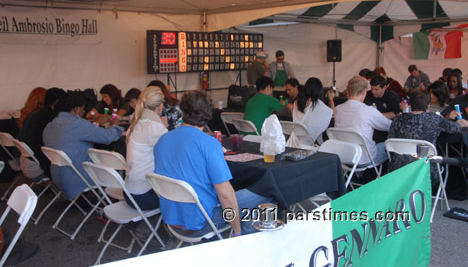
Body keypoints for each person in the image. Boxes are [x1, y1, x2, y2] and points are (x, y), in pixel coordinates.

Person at [154, 90, 272, 237]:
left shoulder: (162, 140)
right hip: (203, 221)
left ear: (182, 112)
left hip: (172, 219)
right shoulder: (209, 144)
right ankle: (244, 239)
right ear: (209, 114)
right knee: (267, 192)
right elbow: (225, 195)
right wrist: (237, 231)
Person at [43, 91, 124, 200]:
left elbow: (75, 137)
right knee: (115, 156)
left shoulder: (50, 125)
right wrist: (115, 125)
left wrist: (96, 124)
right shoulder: (76, 124)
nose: (83, 112)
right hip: (78, 179)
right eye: (83, 109)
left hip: (58, 178)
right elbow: (108, 137)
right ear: (76, 109)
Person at [125, 86, 167, 210]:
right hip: (144, 196)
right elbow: (174, 152)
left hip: (129, 192)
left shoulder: (136, 123)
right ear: (160, 106)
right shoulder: (154, 127)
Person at [334, 76, 391, 166]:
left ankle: (358, 176)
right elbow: (390, 126)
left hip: (343, 157)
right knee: (389, 146)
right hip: (363, 158)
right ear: (364, 91)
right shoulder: (367, 110)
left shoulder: (338, 109)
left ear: (348, 91)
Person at [19, 87, 65, 178]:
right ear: (57, 101)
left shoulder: (37, 114)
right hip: (36, 166)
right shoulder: (49, 117)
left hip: (26, 161)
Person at [293, 77, 334, 144]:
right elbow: (331, 113)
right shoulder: (316, 103)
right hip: (310, 143)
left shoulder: (297, 102)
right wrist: (331, 99)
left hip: (296, 140)